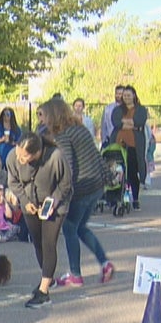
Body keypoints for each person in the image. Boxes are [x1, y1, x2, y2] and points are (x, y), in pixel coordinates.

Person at [41, 98, 114, 288]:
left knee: (70, 228)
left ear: (53, 115)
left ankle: (75, 274)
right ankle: (105, 263)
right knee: (81, 227)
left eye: (45, 115)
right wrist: (107, 177)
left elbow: (68, 167)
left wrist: (58, 196)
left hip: (81, 188)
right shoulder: (80, 128)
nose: (43, 120)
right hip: (97, 185)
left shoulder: (63, 136)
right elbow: (96, 155)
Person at [7, 133, 72, 309]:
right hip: (30, 204)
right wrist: (25, 202)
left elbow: (66, 184)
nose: (19, 158)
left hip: (54, 204)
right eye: (18, 153)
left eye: (24, 156)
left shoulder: (55, 156)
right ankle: (48, 277)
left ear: (37, 153)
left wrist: (54, 201)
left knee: (48, 242)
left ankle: (44, 292)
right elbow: (13, 182)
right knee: (37, 241)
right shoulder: (13, 157)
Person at [109, 85, 147, 210]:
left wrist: (126, 123)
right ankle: (117, 198)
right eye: (124, 95)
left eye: (128, 95)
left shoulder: (141, 109)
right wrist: (130, 123)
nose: (126, 97)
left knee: (132, 173)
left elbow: (139, 122)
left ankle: (135, 198)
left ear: (134, 96)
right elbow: (117, 123)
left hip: (134, 145)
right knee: (117, 172)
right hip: (118, 145)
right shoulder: (117, 110)